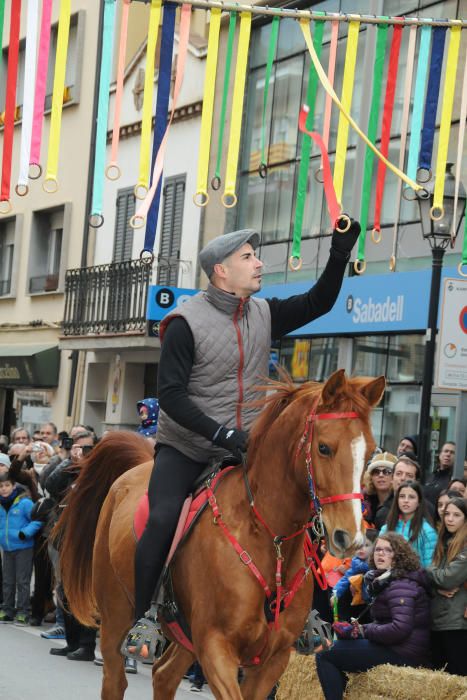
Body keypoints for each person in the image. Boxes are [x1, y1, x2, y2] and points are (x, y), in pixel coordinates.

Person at [126, 222, 361, 657]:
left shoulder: (263, 313)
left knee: (303, 511)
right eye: (248, 257)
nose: (258, 263)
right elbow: (171, 396)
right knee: (160, 520)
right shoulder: (183, 323)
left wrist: (340, 253)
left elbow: (319, 301)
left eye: (256, 255)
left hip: (247, 447)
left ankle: (310, 614)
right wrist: (220, 433)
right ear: (221, 271)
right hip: (189, 447)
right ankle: (146, 616)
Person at [315, 532, 430, 700]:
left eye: (387, 550)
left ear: (399, 556)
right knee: (335, 648)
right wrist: (355, 630)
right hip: (395, 646)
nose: (380, 554)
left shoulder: (401, 585)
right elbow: (386, 624)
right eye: (377, 550)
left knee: (324, 654)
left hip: (403, 652)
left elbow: (399, 629)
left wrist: (361, 631)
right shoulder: (386, 580)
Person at [46, 430, 98, 661]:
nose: (82, 452)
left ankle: (86, 646)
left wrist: (88, 464)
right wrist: (68, 459)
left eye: (87, 448)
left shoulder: (98, 472)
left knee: (84, 593)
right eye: (78, 447)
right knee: (64, 592)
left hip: (87, 541)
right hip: (65, 540)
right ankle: (72, 642)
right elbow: (49, 484)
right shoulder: (69, 470)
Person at [427, 497, 467, 676]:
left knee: (458, 677)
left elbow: (448, 579)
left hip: (457, 622)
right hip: (438, 619)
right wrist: (436, 587)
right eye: (447, 514)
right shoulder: (442, 543)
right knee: (440, 680)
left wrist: (427, 571)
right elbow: (435, 583)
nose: (450, 519)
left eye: (456, 515)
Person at [0, 473, 43, 624]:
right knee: (7, 581)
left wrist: (25, 533)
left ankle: (23, 611)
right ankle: (7, 610)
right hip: (7, 548)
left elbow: (37, 520)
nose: (4, 489)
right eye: (1, 486)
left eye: (7, 485)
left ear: (13, 486)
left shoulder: (24, 503)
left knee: (22, 581)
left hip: (23, 547)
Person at [380, 481, 437, 567]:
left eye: (411, 497)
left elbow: (430, 568)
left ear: (419, 502)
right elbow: (377, 557)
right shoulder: (386, 528)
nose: (406, 501)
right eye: (402, 496)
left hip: (414, 579)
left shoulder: (427, 531)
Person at [330, 529, 378, 622]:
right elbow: (344, 580)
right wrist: (335, 594)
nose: (361, 548)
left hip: (376, 603)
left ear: (375, 547)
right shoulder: (356, 565)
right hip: (362, 604)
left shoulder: (377, 564)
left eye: (366, 545)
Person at [373, 455, 421, 530]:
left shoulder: (427, 510)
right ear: (392, 478)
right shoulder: (382, 513)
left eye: (409, 475)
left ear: (416, 481)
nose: (403, 478)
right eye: (399, 474)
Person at [362, 452, 397, 527]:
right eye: (376, 472)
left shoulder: (400, 503)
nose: (381, 475)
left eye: (387, 472)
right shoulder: (366, 503)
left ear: (395, 476)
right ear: (370, 477)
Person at [424, 442, 456, 507]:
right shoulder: (430, 476)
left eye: (452, 452)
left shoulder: (454, 478)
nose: (448, 454)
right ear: (440, 455)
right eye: (446, 451)